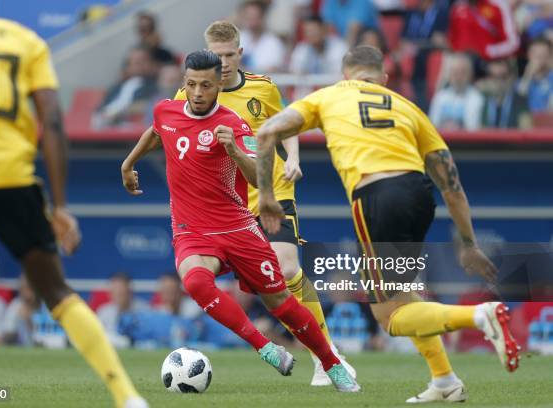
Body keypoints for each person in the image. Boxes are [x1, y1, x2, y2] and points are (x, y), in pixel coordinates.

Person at [256, 45, 521, 403]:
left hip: (377, 196)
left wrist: (268, 195)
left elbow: (266, 132)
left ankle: (480, 315)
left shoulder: (329, 96)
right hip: (419, 195)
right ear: (382, 78)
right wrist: (469, 244)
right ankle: (445, 380)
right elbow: (451, 184)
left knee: (390, 316)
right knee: (404, 293)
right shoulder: (408, 107)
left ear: (345, 74)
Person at [0, 2, 147, 407]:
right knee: (55, 290)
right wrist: (61, 206)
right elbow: (51, 119)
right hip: (9, 177)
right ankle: (127, 397)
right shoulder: (25, 41)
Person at [121, 50, 358, 392]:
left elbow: (259, 178)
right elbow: (156, 132)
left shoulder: (234, 124)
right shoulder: (166, 110)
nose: (198, 92)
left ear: (219, 84)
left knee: (282, 303)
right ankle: (265, 347)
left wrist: (234, 151)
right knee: (196, 283)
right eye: (191, 84)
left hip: (238, 228)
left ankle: (332, 364)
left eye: (205, 85)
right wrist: (128, 165)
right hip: (193, 230)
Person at [93, 46, 158, 129]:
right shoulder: (118, 86)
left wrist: (117, 113)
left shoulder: (153, 87)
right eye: (134, 62)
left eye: (141, 61)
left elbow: (148, 105)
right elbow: (102, 106)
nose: (138, 65)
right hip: (105, 125)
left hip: (130, 128)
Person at [429, 53, 484, 130]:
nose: (458, 77)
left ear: (470, 74)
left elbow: (473, 129)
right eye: (455, 72)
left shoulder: (476, 98)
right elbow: (433, 126)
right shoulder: (440, 97)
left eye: (462, 72)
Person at [478, 59, 531, 128]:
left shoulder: (520, 100)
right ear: (487, 78)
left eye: (503, 76)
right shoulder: (481, 99)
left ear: (512, 77)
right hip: (487, 138)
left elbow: (526, 129)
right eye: (493, 76)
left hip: (512, 138)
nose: (498, 82)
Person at [237, 0, 286, 73]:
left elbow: (273, 70)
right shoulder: (237, 38)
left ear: (262, 18)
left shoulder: (274, 43)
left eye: (254, 17)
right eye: (248, 16)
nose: (251, 20)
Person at [3, 273, 42, 346]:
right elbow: (7, 337)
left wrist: (29, 320)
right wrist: (21, 321)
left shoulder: (47, 306)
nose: (26, 291)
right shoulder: (15, 306)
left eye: (29, 287)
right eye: (23, 287)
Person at [517, 37, 553, 112]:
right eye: (535, 53)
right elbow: (517, 101)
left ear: (549, 55)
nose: (539, 57)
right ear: (528, 55)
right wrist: (528, 74)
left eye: (543, 53)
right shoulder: (522, 81)